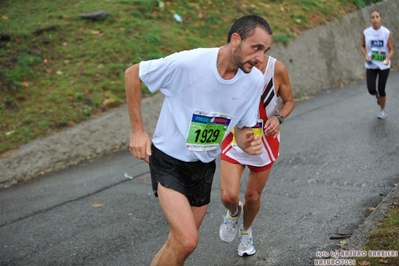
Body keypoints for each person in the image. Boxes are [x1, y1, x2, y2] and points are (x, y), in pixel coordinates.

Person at [125, 15, 273, 266]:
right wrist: (138, 131)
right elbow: (133, 74)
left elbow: (241, 129)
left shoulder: (254, 80)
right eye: (256, 48)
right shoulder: (190, 63)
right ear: (236, 40)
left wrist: (246, 141)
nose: (260, 58)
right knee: (187, 240)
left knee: (177, 245)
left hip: (203, 166)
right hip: (169, 161)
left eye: (265, 51)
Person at [219, 53, 295, 256]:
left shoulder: (276, 68)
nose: (257, 52)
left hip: (264, 140)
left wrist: (278, 118)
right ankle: (234, 213)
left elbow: (289, 101)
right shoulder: (233, 65)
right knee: (228, 196)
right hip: (235, 134)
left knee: (252, 197)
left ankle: (245, 231)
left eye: (262, 46)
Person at [360, 9, 394, 119]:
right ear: (370, 19)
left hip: (383, 64)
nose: (375, 20)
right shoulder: (366, 32)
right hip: (371, 64)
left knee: (381, 88)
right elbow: (362, 46)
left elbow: (391, 50)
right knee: (371, 89)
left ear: (381, 18)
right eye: (372, 17)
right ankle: (377, 96)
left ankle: (382, 111)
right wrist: (365, 55)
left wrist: (388, 58)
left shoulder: (386, 33)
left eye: (377, 17)